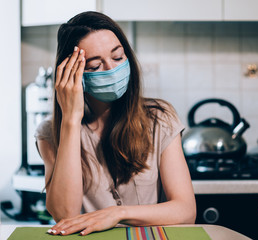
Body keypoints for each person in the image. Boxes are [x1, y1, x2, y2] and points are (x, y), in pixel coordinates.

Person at [35, 11, 196, 236]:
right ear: (72, 74)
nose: (111, 70)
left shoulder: (160, 118)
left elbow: (186, 210)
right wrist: (71, 120)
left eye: (118, 57)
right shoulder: (49, 134)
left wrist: (117, 214)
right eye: (94, 66)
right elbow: (65, 215)